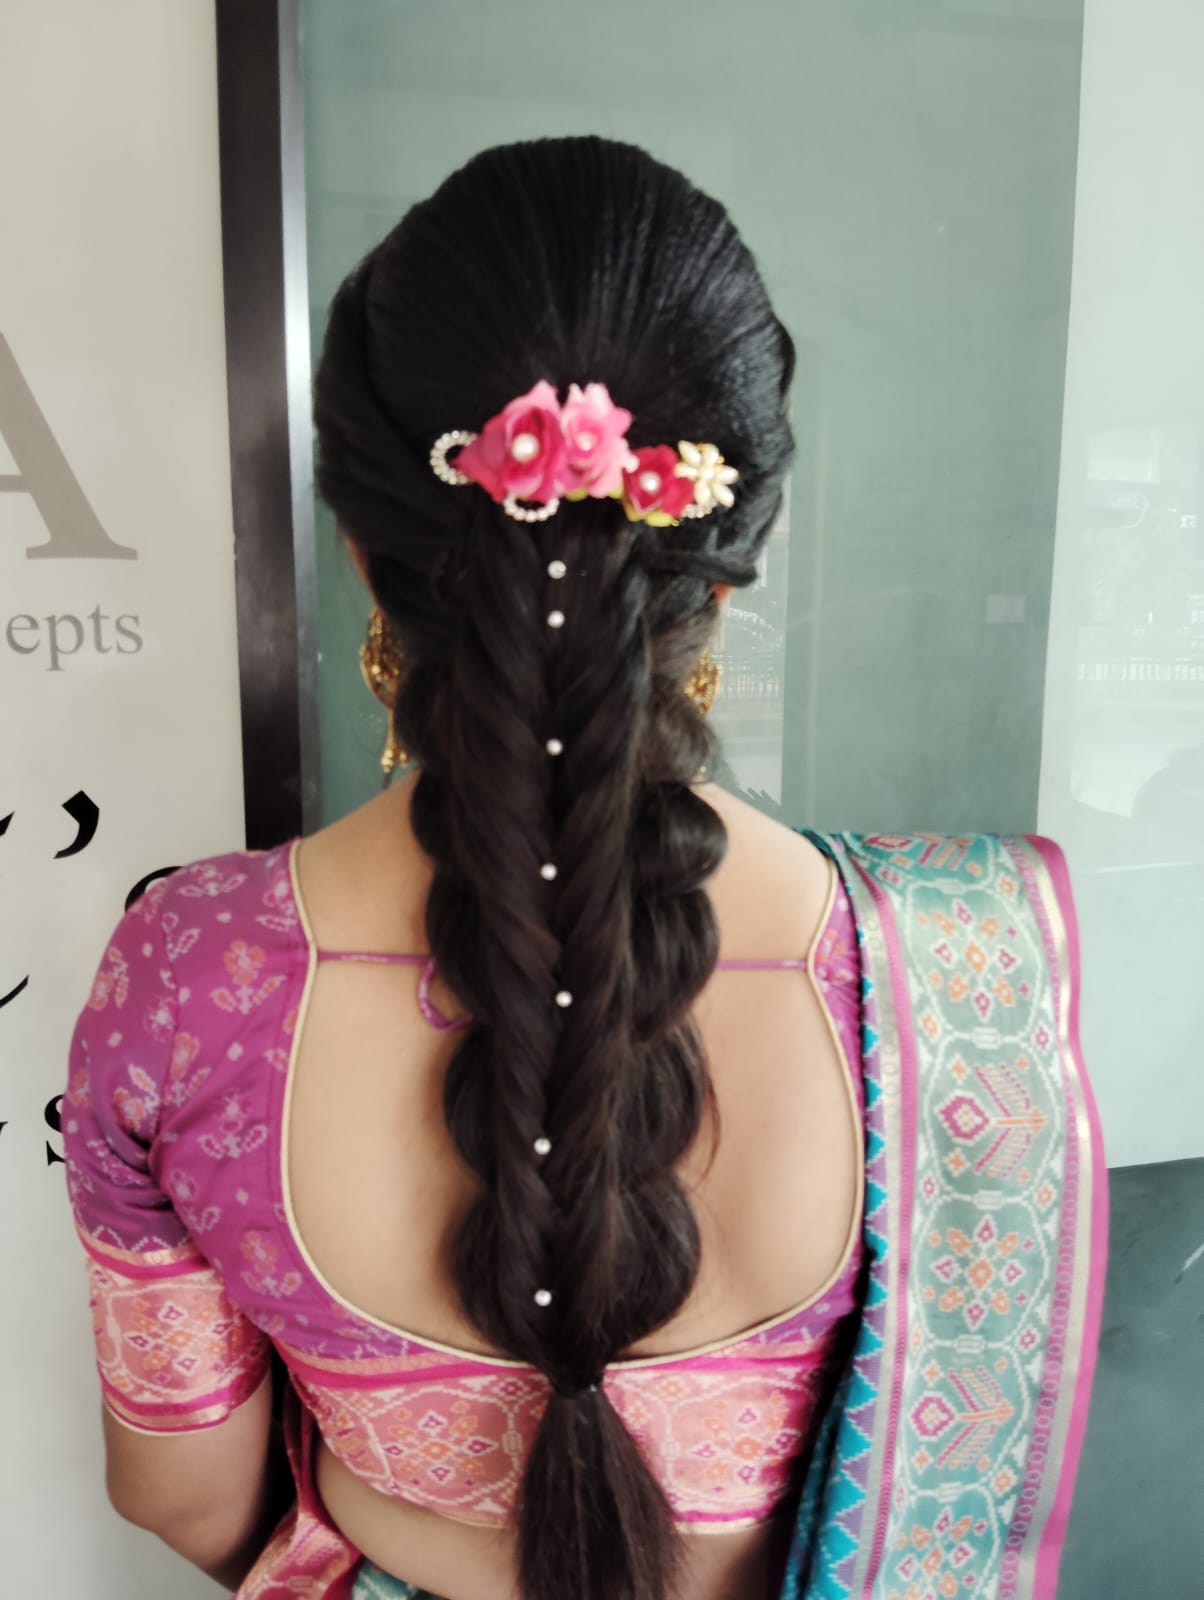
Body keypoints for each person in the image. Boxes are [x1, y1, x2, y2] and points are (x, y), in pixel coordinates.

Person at [63, 137, 1106, 1600]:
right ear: (736, 553)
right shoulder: (960, 958)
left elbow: (181, 1491)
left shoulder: (192, 971)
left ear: (362, 552)